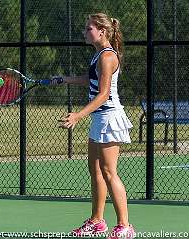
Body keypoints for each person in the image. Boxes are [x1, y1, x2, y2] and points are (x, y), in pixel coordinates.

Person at [51, 13, 135, 239]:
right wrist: (66, 79)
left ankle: (125, 226)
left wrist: (78, 115)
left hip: (109, 117)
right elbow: (92, 80)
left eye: (88, 28)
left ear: (102, 31)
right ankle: (97, 221)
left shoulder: (108, 57)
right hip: (100, 118)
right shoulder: (98, 55)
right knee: (95, 170)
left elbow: (104, 93)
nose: (84, 32)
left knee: (109, 171)